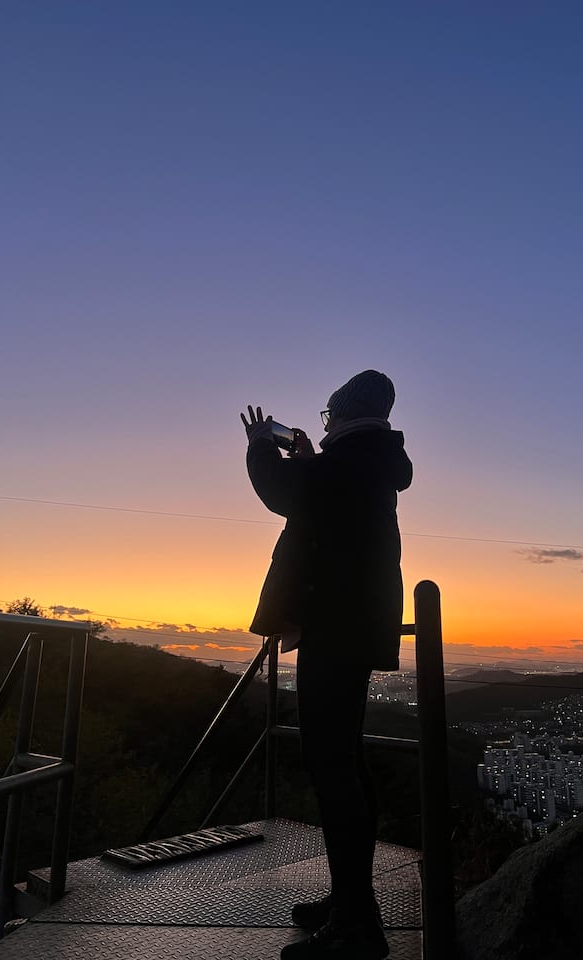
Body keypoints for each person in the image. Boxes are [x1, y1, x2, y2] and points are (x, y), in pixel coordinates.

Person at [240, 369, 413, 960]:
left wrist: (260, 445)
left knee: (334, 771)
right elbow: (321, 500)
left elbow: (283, 493)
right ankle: (349, 901)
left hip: (335, 630)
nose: (326, 423)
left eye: (328, 414)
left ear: (342, 413)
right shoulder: (367, 460)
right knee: (348, 767)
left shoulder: (352, 460)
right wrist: (311, 459)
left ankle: (357, 926)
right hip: (351, 627)